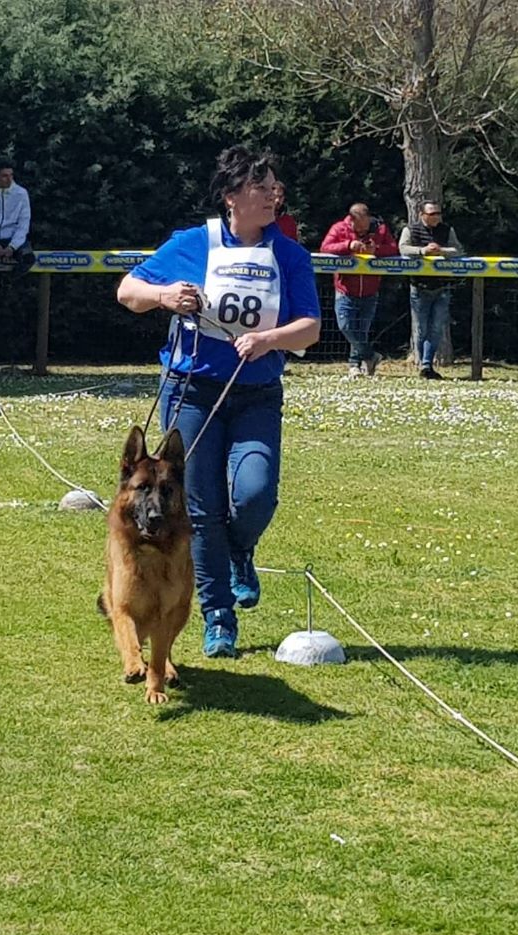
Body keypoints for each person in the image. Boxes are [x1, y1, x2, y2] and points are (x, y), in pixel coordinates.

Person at [116, 146, 321, 659]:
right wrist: (164, 297)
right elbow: (127, 290)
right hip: (192, 390)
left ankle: (239, 551)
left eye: (276, 186)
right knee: (201, 508)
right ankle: (218, 618)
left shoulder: (289, 255)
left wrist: (269, 340)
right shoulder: (192, 243)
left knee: (255, 493)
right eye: (262, 186)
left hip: (256, 394)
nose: (275, 194)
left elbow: (311, 328)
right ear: (232, 196)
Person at [320, 202, 398, 378]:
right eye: (359, 228)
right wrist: (348, 245)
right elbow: (325, 247)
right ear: (352, 220)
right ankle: (371, 356)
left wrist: (376, 249)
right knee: (345, 326)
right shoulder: (339, 228)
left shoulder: (381, 229)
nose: (363, 231)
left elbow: (393, 249)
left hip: (370, 290)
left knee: (361, 331)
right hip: (345, 288)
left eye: (366, 227)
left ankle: (355, 365)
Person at [398, 200, 464, 379]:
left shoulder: (447, 230)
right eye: (432, 214)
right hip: (419, 287)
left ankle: (427, 365)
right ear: (422, 215)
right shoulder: (410, 230)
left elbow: (458, 250)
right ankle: (421, 362)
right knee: (420, 329)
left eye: (438, 213)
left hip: (442, 287)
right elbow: (403, 248)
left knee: (436, 329)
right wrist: (423, 251)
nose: (436, 217)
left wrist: (441, 250)